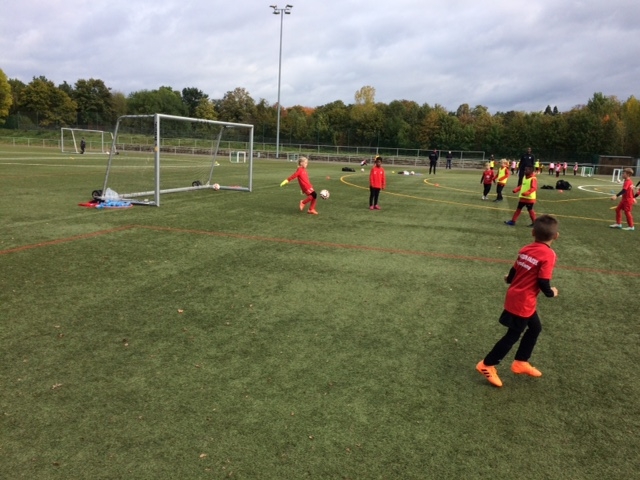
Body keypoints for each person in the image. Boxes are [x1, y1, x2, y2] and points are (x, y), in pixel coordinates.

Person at [476, 214, 560, 388]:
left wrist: (509, 279)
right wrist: (551, 293)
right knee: (513, 335)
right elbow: (543, 281)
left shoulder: (526, 248)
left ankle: (521, 362)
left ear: (533, 233)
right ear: (556, 236)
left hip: (518, 297)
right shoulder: (549, 255)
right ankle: (487, 364)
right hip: (523, 301)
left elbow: (514, 270)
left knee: (535, 328)